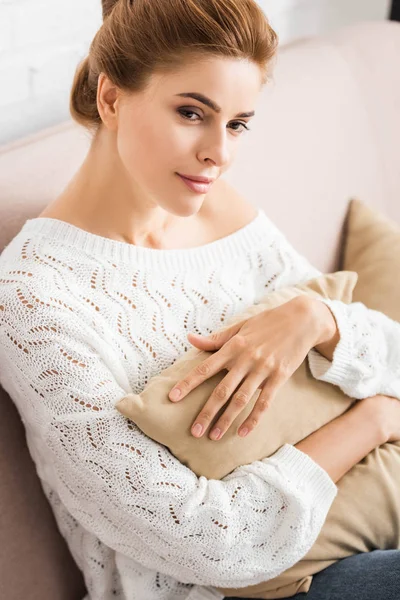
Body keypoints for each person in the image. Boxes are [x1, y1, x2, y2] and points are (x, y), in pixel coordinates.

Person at [0, 1, 399, 599]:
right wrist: (375, 418)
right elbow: (216, 541)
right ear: (111, 98)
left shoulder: (220, 209)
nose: (220, 153)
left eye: (238, 123)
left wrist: (316, 318)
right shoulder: (32, 300)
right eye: (192, 113)